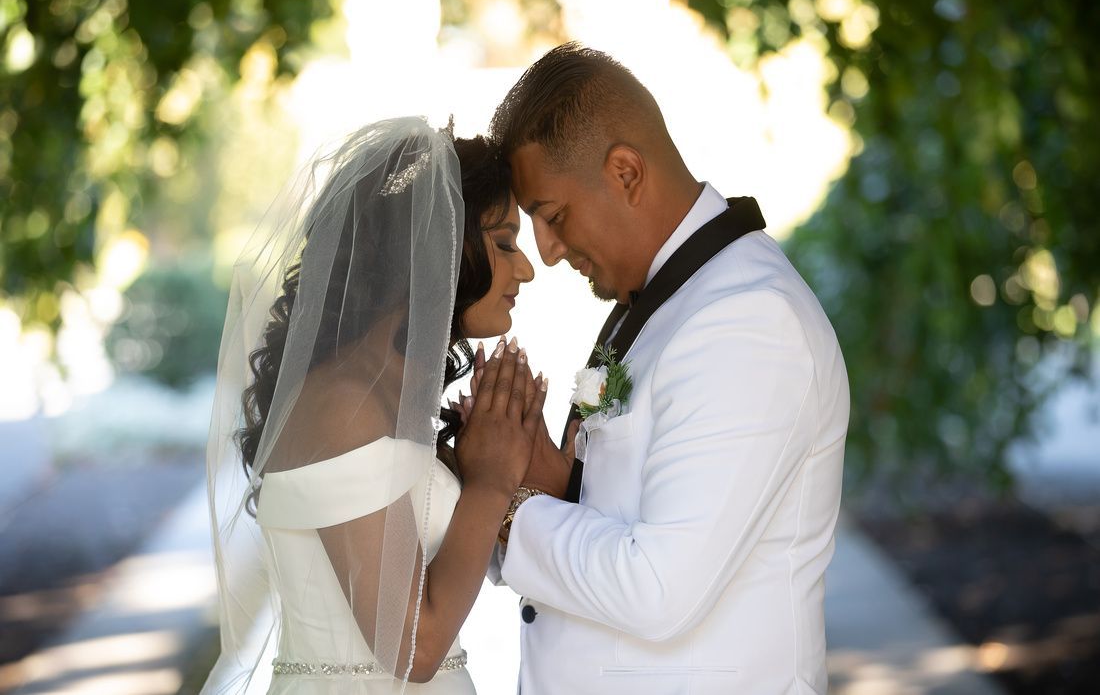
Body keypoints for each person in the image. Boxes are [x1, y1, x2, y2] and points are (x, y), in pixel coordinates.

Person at [483, 44, 851, 693]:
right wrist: (558, 477)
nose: (545, 251)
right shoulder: (659, 303)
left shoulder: (749, 322)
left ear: (625, 172)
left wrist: (512, 507)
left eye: (554, 216)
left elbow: (659, 587)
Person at [202, 118, 543, 694]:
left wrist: (495, 456)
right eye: (505, 242)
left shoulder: (381, 393)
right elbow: (413, 648)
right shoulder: (346, 405)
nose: (527, 269)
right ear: (439, 243)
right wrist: (488, 481)